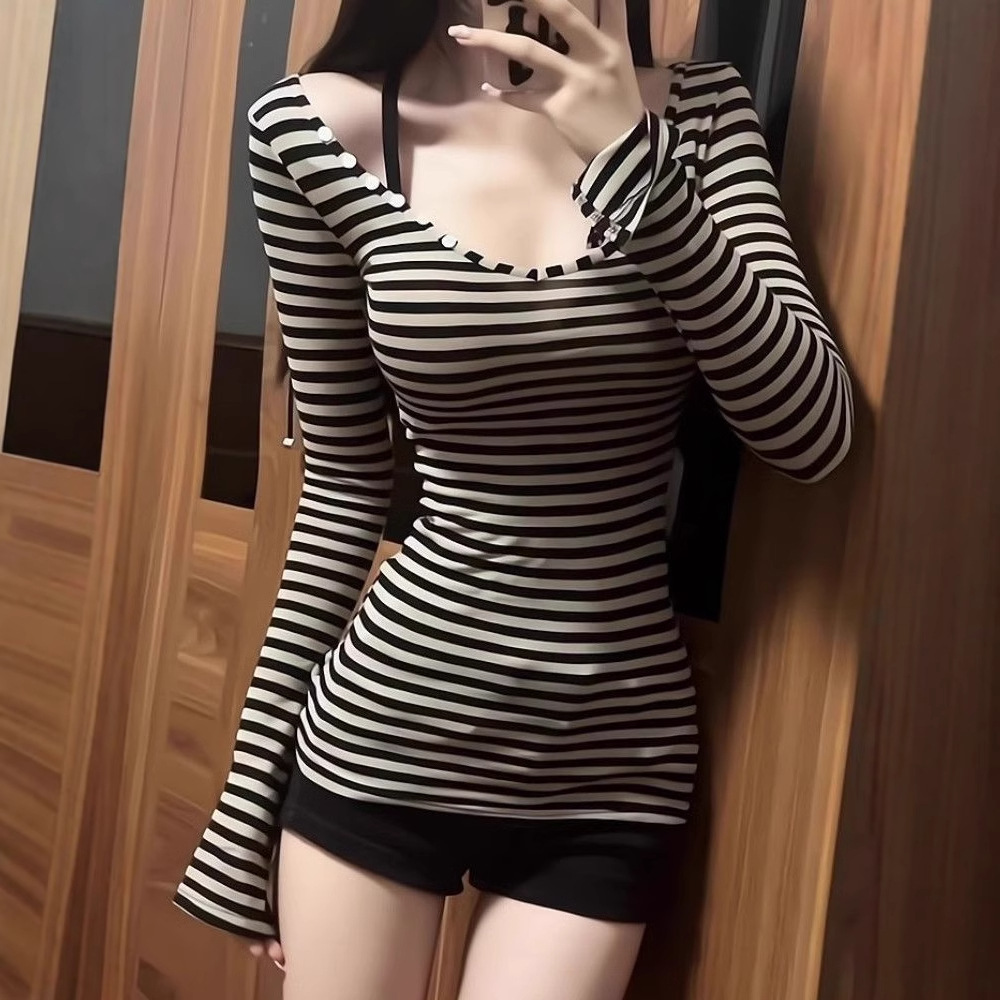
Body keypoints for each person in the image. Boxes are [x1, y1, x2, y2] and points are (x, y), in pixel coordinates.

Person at [175, 1, 854, 997]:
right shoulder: (313, 128)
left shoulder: (702, 116)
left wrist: (632, 160)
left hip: (611, 765)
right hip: (384, 738)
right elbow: (344, 490)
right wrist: (245, 808)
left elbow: (811, 434)